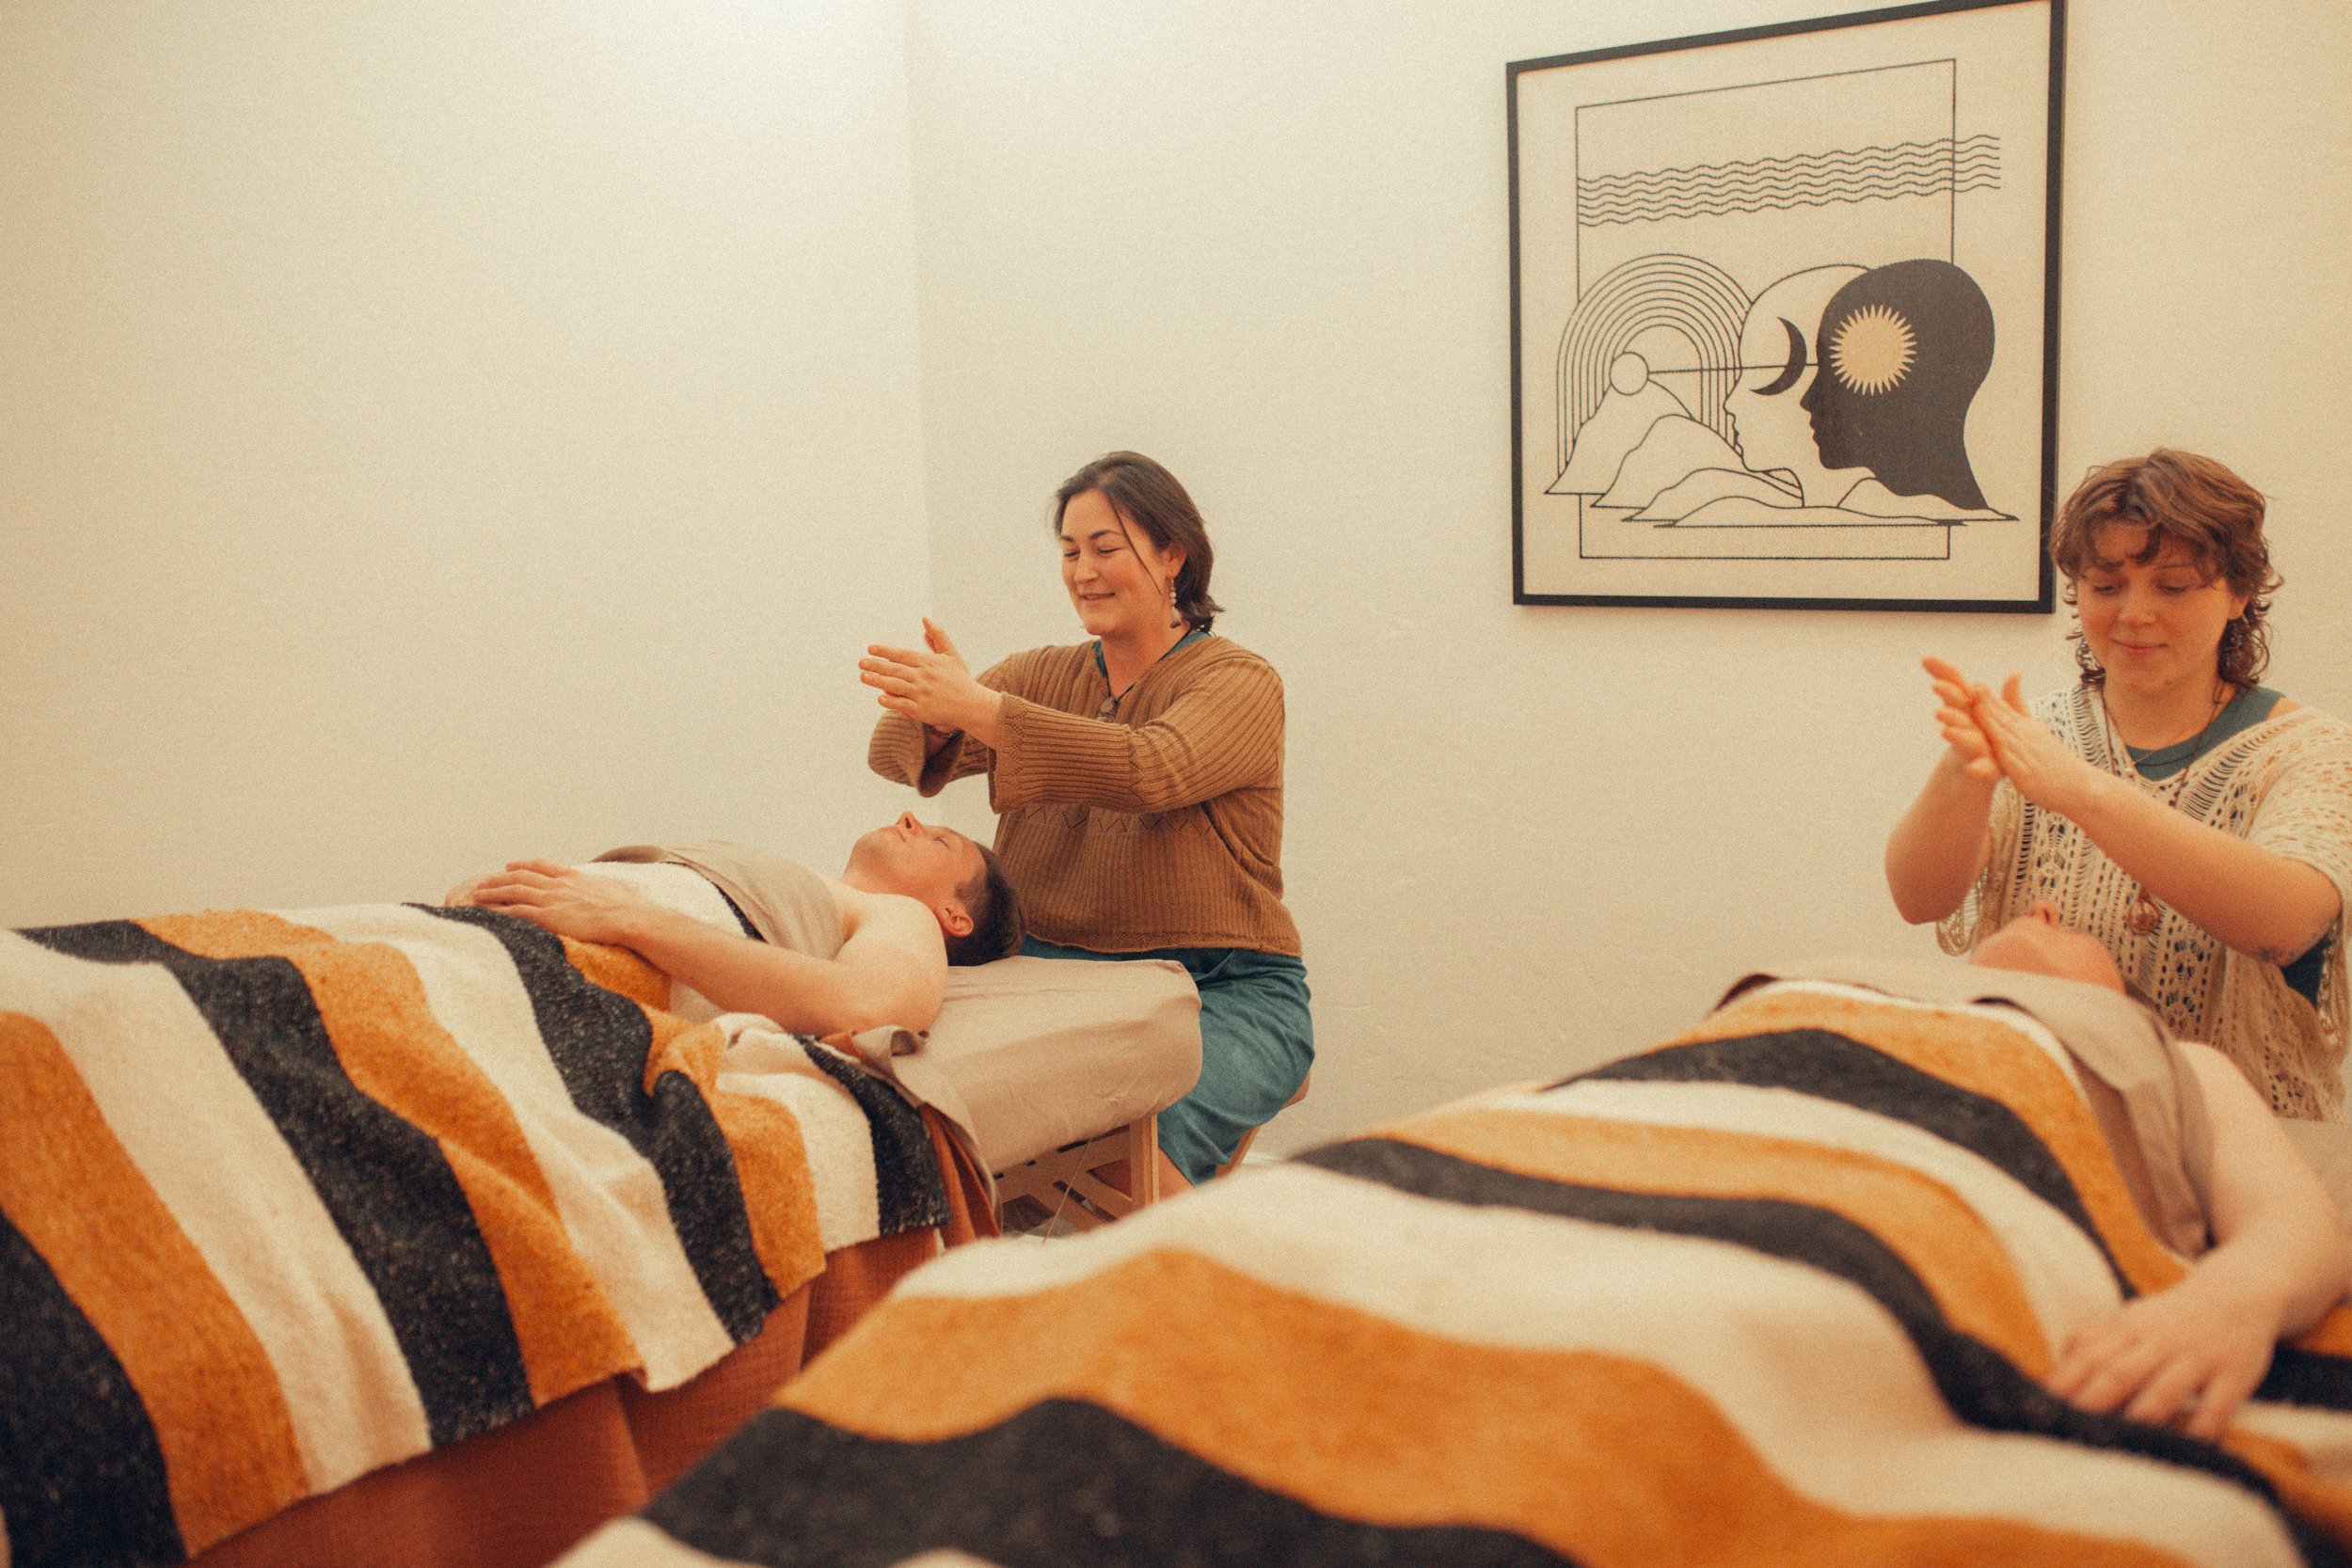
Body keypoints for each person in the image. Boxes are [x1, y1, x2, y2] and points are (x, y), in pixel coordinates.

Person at [858, 451, 1311, 1188]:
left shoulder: (1238, 681)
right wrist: (938, 714)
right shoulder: (1039, 675)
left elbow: (1148, 767)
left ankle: (1181, 1265)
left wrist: (979, 707)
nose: (1083, 571)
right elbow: (892, 755)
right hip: (1046, 976)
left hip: (1219, 987)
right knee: (913, 1107)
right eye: (1070, 551)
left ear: (1173, 555)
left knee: (1136, 1152)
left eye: (1105, 547)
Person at [1886, 449, 2352, 1119]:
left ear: (2239, 593)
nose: (2134, 614)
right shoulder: (2036, 731)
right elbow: (1919, 898)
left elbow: (2287, 922)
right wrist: (1964, 771)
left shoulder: (2311, 750)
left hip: (2243, 1136)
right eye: (2106, 587)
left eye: (2174, 587)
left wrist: (2083, 791)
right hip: (2044, 1117)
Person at [1952, 904, 2352, 1437]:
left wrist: (2225, 1301)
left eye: (2075, 933)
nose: (2041, 907)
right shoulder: (1866, 991)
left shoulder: (2175, 1066)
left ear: (2124, 1007)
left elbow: (2301, 1229)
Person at [447, 812, 1021, 1037]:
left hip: (581, 963)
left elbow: (865, 1006)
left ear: (955, 917)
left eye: (940, 841)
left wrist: (625, 916)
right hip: (489, 939)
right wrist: (482, 896)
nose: (909, 817)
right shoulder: (807, 887)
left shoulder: (903, 915)